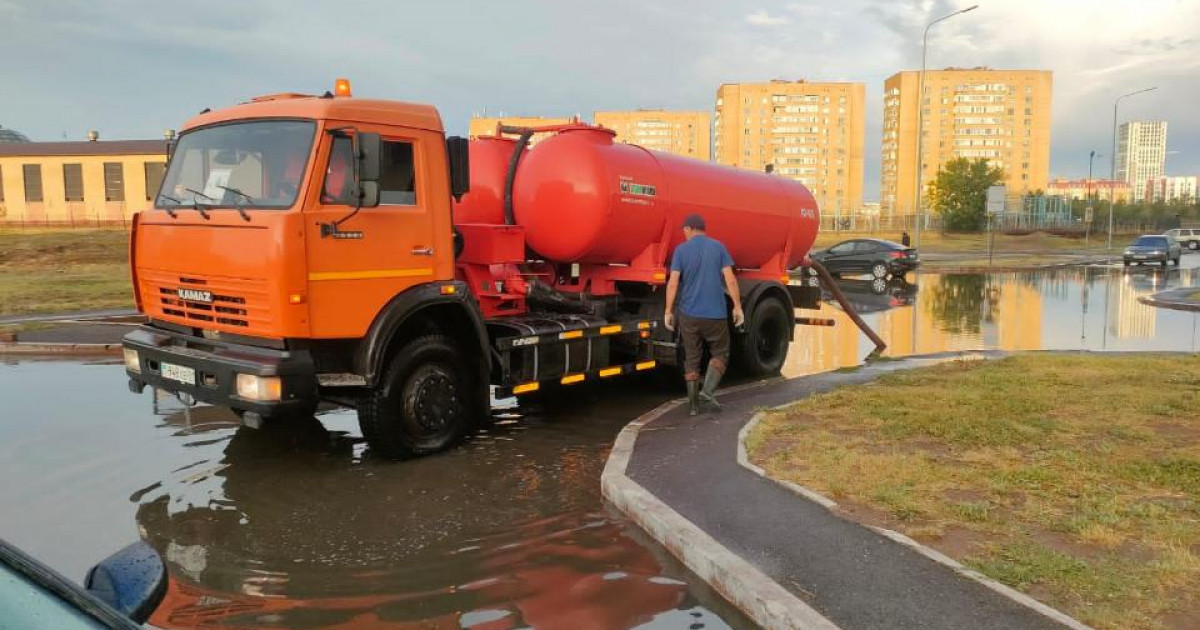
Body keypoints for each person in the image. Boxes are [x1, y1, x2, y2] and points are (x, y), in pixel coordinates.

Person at [664, 214, 744, 416]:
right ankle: (707, 393)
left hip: (688, 314)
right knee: (721, 352)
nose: (683, 233)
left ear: (689, 229)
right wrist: (737, 307)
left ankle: (693, 406)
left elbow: (673, 283)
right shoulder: (718, 247)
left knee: (692, 358)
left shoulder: (681, 250)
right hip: (715, 314)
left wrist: (668, 311)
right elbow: (730, 279)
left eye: (684, 230)